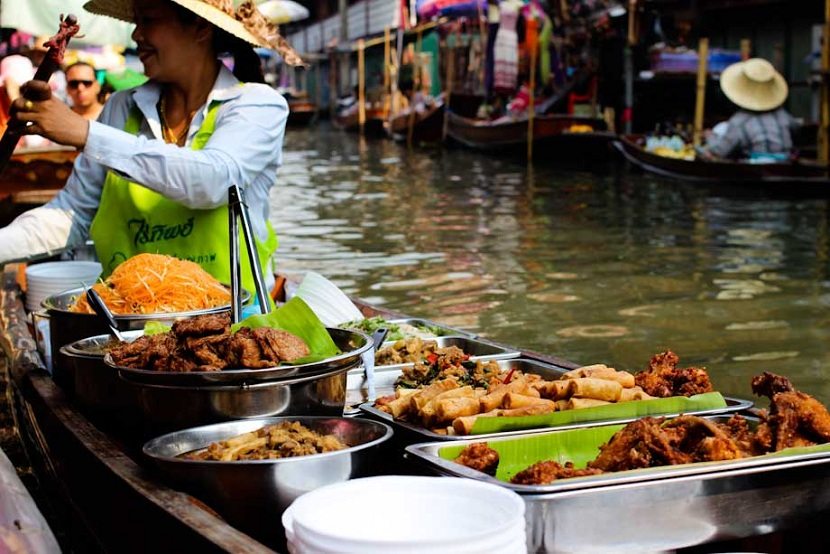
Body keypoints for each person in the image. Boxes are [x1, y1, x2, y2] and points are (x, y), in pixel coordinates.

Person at [1, 0, 303, 297]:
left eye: (149, 20)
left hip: (232, 326)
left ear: (200, 27)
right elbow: (73, 214)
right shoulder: (122, 108)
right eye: (137, 23)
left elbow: (214, 181)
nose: (136, 36)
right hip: (130, 323)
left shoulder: (257, 104)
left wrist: (86, 133)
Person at [701, 58, 799, 162]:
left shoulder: (740, 121)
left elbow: (719, 150)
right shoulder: (782, 114)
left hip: (755, 170)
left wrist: (710, 137)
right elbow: (796, 129)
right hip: (786, 164)